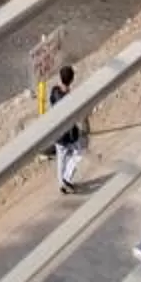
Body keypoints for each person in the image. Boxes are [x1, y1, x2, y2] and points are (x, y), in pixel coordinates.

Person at [49, 65, 85, 193]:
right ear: (72, 79)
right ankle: (66, 178)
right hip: (68, 134)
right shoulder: (70, 98)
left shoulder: (54, 91)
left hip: (57, 132)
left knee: (61, 158)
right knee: (79, 152)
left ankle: (61, 184)